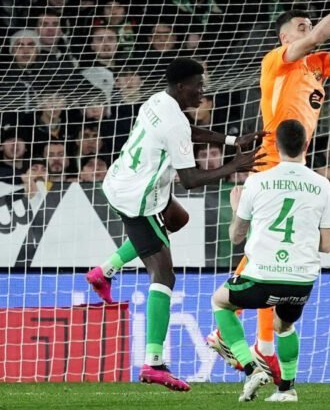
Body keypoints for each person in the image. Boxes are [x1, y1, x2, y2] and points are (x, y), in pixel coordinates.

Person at [208, 0, 330, 382]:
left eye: (309, 25)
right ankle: (244, 336)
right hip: (271, 161)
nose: (308, 31)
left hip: (295, 164)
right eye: (300, 28)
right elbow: (320, 38)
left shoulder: (317, 66)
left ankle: (256, 344)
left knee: (273, 256)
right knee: (267, 252)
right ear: (285, 38)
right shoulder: (277, 62)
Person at [85, 58, 264, 390]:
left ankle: (104, 271)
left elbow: (187, 130)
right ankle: (153, 363)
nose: (203, 91)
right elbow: (191, 180)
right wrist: (234, 166)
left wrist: (230, 142)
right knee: (164, 274)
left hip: (126, 180)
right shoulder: (173, 122)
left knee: (178, 218)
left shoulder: (159, 100)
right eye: (198, 85)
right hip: (136, 199)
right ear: (182, 87)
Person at [211, 119, 330, 403]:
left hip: (262, 278)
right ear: (306, 145)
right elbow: (327, 245)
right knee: (284, 326)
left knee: (220, 302)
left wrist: (235, 209)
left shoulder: (256, 181)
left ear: (276, 147)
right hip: (300, 281)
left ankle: (252, 367)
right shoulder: (322, 185)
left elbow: (235, 237)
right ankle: (287, 389)